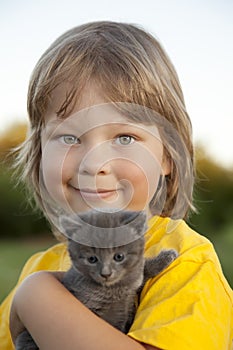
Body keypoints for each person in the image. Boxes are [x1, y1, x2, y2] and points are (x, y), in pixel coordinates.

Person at [0, 21, 232, 350]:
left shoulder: (186, 262)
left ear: (168, 156)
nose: (94, 164)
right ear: (39, 154)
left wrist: (38, 298)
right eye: (69, 137)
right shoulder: (39, 267)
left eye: (125, 137)